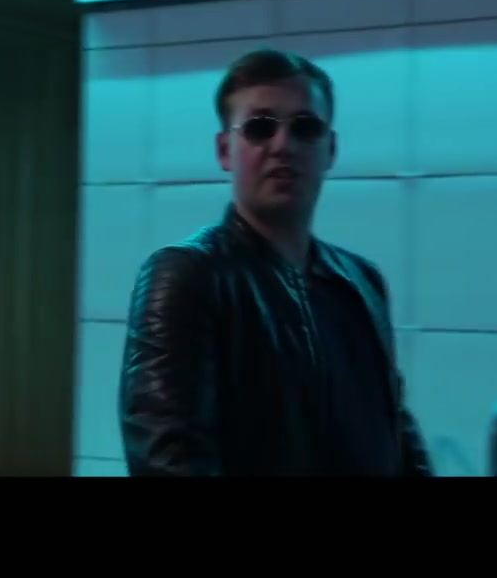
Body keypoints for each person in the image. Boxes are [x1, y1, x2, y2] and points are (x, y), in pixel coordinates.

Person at [117, 47, 433, 477]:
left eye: (305, 127)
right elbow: (169, 460)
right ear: (225, 150)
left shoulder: (360, 281)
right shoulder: (187, 276)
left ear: (330, 149)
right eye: (260, 127)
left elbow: (396, 432)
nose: (283, 145)